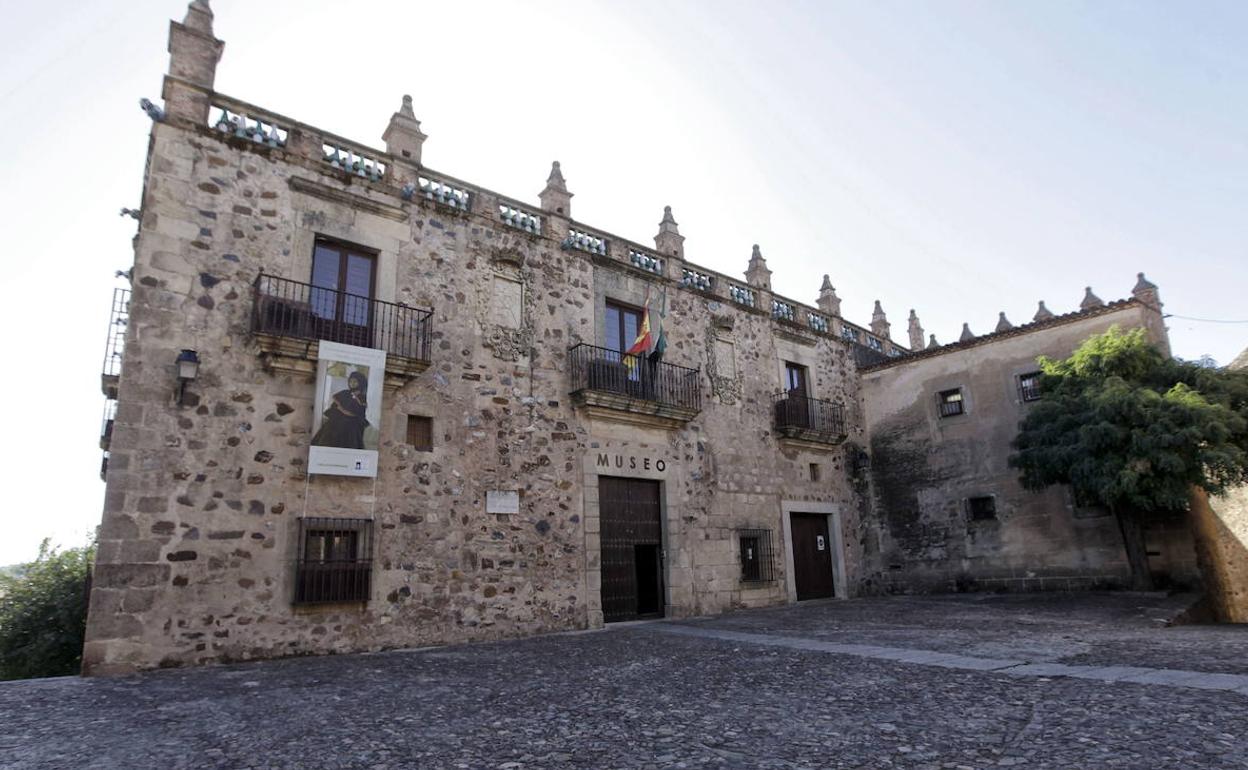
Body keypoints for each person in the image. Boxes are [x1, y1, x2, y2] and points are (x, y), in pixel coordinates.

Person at [311, 370, 369, 449]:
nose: (352, 383)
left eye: (355, 382)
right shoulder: (344, 393)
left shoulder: (362, 398)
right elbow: (334, 406)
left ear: (361, 383)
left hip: (352, 424)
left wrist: (351, 412)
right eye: (351, 381)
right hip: (337, 421)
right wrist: (338, 410)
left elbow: (360, 412)